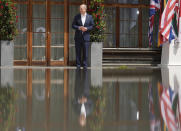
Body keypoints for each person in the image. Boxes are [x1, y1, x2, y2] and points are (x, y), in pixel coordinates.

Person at [72, 4, 94, 69]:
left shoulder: (90, 17)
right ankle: (78, 65)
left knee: (85, 53)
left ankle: (85, 65)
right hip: (78, 38)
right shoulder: (77, 16)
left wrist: (86, 28)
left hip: (86, 38)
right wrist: (79, 27)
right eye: (80, 8)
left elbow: (92, 26)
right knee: (78, 52)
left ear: (85, 9)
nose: (80, 10)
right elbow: (73, 25)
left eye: (81, 9)